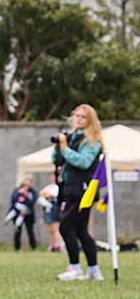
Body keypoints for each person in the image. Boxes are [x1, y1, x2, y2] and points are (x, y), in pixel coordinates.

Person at [54, 104, 105, 281]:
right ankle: (93, 270)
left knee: (65, 227)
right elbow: (58, 160)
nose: (79, 119)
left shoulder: (92, 140)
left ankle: (75, 268)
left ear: (90, 119)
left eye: (83, 116)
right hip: (70, 188)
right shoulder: (73, 137)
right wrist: (59, 147)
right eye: (77, 116)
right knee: (82, 231)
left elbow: (83, 162)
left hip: (82, 191)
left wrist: (66, 148)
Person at [8, 175, 38, 251]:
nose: (30, 183)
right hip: (18, 213)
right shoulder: (18, 190)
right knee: (17, 230)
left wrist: (25, 199)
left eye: (32, 182)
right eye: (29, 181)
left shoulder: (32, 191)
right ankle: (17, 247)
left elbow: (32, 201)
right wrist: (19, 211)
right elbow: (13, 201)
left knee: (30, 231)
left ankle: (33, 247)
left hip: (28, 214)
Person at [38, 171, 64, 252]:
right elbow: (41, 192)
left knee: (56, 228)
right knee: (51, 229)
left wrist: (45, 194)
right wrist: (45, 193)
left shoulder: (58, 186)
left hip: (55, 209)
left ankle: (58, 245)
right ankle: (52, 246)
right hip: (48, 209)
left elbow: (50, 195)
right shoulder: (50, 186)